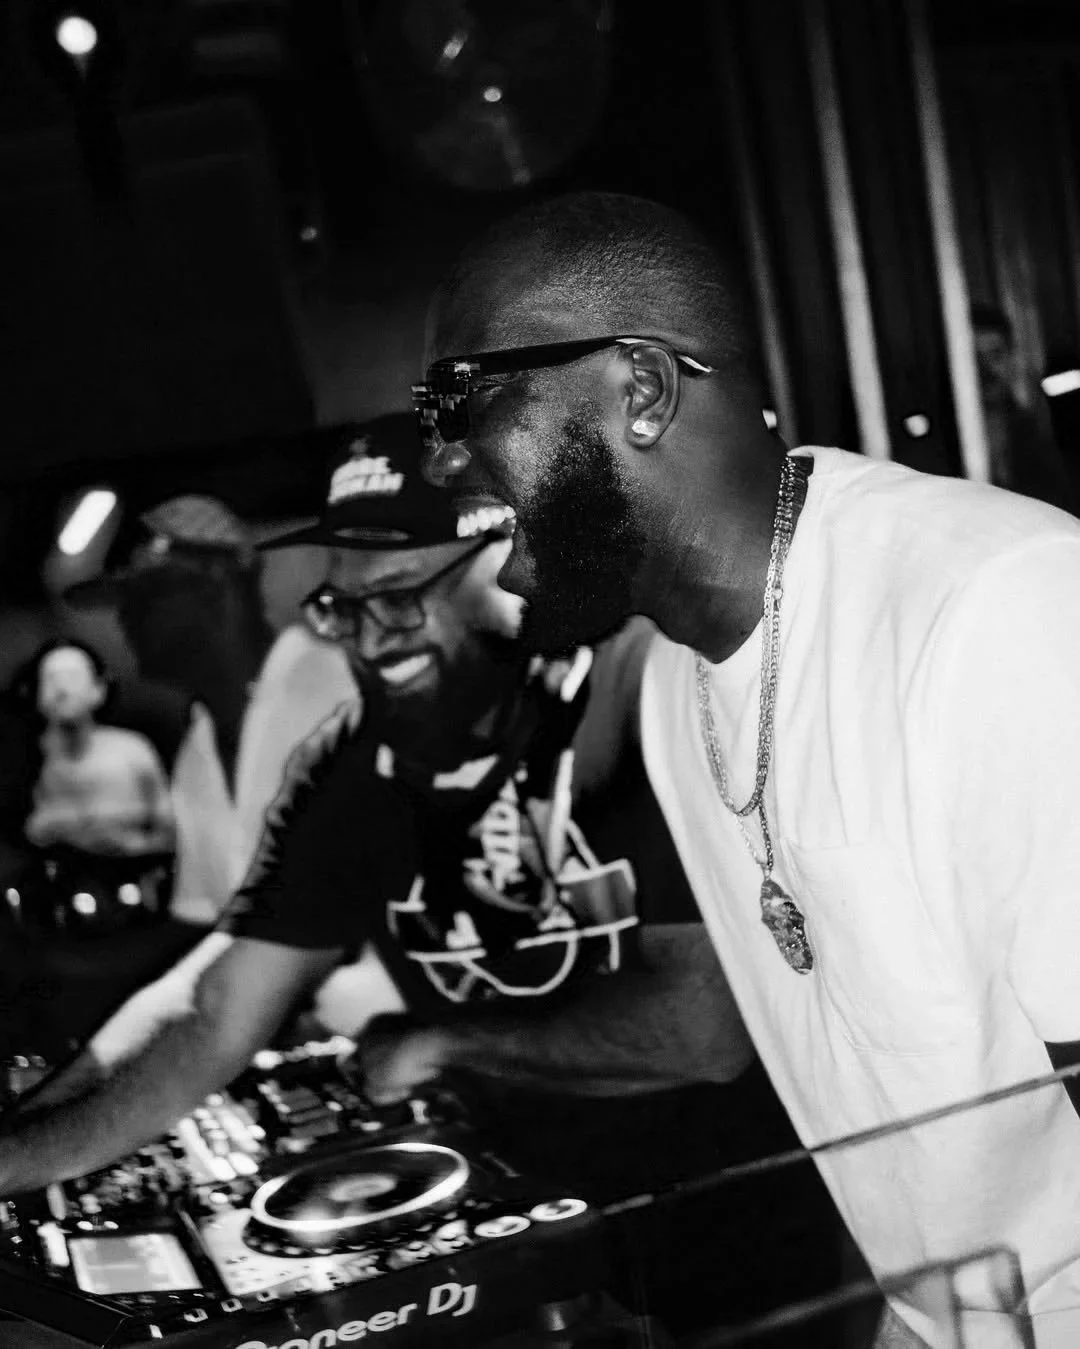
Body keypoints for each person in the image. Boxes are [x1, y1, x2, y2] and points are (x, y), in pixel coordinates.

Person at [0, 415, 839, 1337]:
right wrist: (21, 1148)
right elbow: (215, 1002)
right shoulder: (361, 763)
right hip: (532, 1253)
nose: (370, 637)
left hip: (741, 1246)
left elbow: (702, 1031)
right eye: (345, 607)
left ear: (505, 555)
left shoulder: (633, 700)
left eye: (401, 594)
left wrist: (447, 1042)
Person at [413, 188, 1080, 1347]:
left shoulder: (998, 607)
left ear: (643, 390)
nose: (436, 456)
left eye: (463, 397)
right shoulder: (679, 687)